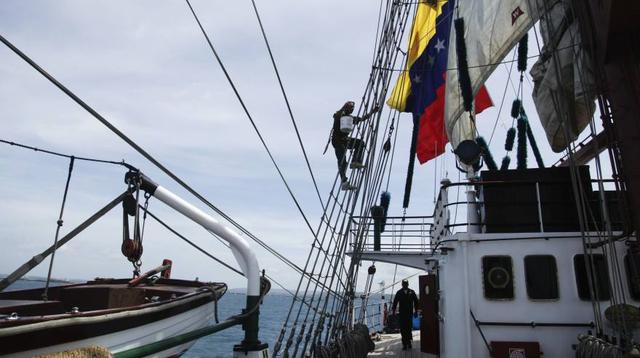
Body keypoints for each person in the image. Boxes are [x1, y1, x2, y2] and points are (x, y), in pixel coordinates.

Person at [330, 101, 379, 190]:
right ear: (345, 107)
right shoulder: (339, 115)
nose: (352, 110)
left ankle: (355, 161)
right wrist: (343, 113)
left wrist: (373, 111)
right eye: (350, 108)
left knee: (360, 143)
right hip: (337, 141)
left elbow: (362, 119)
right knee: (342, 161)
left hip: (345, 140)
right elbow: (336, 116)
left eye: (352, 109)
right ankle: (344, 182)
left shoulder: (349, 118)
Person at [392, 279, 419, 350]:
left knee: (409, 328)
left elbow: (416, 302)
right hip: (402, 314)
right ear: (402, 285)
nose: (405, 285)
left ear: (408, 284)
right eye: (404, 284)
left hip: (409, 314)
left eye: (406, 284)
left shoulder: (412, 292)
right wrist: (393, 312)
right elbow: (395, 302)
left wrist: (416, 311)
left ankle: (409, 342)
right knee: (403, 329)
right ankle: (404, 344)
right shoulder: (399, 292)